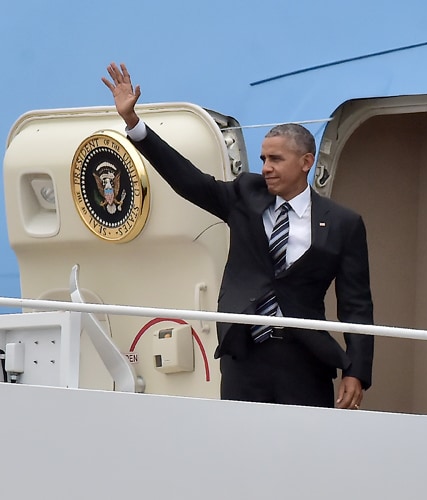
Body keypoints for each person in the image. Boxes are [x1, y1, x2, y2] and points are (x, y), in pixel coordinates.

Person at [102, 62, 374, 409]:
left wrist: (357, 370)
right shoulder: (246, 194)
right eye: (263, 158)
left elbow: (357, 305)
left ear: (306, 162)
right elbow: (188, 180)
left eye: (276, 159)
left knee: (304, 454)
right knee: (239, 452)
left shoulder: (343, 223)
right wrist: (134, 125)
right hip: (243, 353)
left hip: (305, 359)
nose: (266, 167)